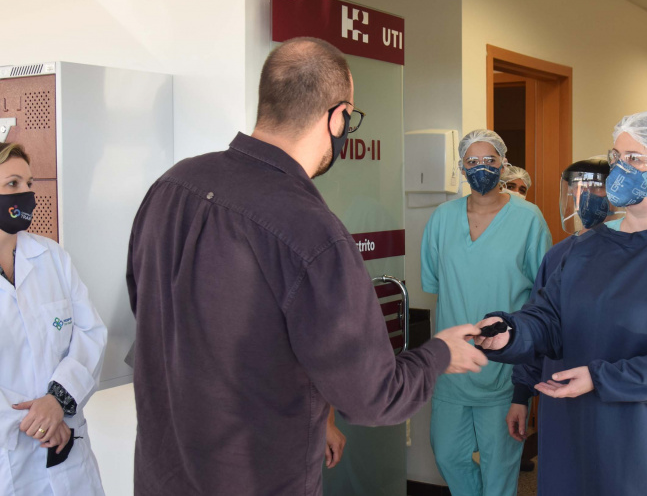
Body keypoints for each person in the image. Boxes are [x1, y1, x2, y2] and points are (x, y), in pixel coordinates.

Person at [127, 37, 487, 496]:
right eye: (349, 119)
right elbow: (373, 396)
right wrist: (440, 354)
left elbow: (151, 312)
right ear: (338, 118)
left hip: (162, 477)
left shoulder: (172, 187)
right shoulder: (312, 231)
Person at [476, 111, 647, 496]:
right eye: (617, 157)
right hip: (580, 438)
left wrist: (600, 378)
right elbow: (549, 319)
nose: (621, 169)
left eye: (636, 159)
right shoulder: (582, 249)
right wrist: (511, 333)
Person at [421, 129, 551, 496]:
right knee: (448, 455)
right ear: (461, 168)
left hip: (505, 370)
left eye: (490, 160)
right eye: (472, 161)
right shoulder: (442, 220)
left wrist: (524, 388)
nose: (482, 168)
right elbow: (436, 286)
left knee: (500, 470)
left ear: (503, 163)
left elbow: (545, 299)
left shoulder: (528, 219)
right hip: (452, 367)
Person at [0, 143, 107, 494]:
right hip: (10, 461)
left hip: (70, 458)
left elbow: (90, 334)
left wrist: (57, 401)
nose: (27, 194)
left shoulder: (52, 258)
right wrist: (40, 421)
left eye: (29, 184)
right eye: (13, 184)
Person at [507, 157, 615, 447]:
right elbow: (539, 324)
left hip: (613, 391)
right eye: (576, 189)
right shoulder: (559, 256)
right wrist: (521, 395)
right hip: (558, 385)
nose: (584, 197)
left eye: (596, 188)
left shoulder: (633, 255)